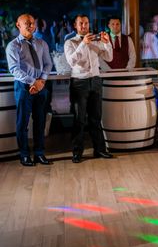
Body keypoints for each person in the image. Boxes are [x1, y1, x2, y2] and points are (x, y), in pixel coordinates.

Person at [64, 14, 114, 162]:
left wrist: (107, 43)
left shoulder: (95, 40)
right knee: (79, 119)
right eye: (81, 23)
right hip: (79, 82)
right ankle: (77, 152)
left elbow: (109, 58)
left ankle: (99, 150)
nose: (84, 26)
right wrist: (83, 44)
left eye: (86, 23)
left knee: (96, 118)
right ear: (75, 25)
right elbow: (72, 62)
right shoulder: (70, 42)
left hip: (96, 80)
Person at [6, 14, 53, 166]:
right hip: (23, 87)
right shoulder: (13, 46)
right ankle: (24, 155)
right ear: (18, 25)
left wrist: (42, 81)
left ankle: (39, 153)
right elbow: (14, 69)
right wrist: (33, 81)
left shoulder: (42, 43)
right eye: (27, 23)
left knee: (40, 122)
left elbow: (48, 64)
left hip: (41, 86)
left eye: (32, 23)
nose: (30, 25)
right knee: (23, 123)